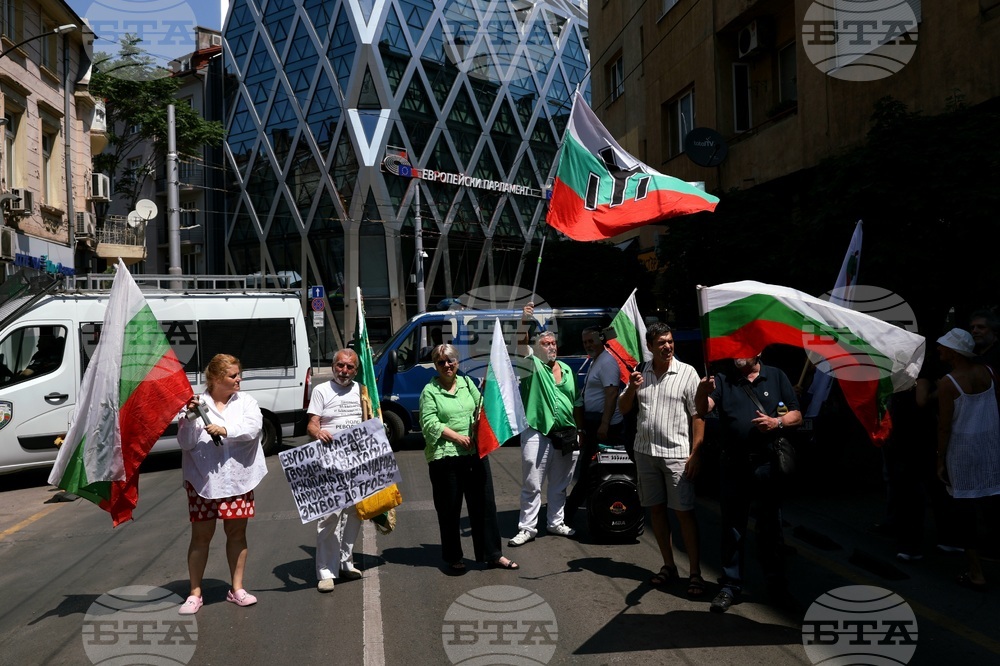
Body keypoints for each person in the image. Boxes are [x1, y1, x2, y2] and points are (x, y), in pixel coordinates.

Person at [695, 351, 802, 613]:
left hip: (767, 465)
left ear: (758, 352)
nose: (737, 356)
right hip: (733, 465)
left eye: (744, 350)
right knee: (732, 527)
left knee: (770, 529)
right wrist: (701, 390)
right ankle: (730, 586)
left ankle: (776, 586)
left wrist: (776, 422)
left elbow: (796, 415)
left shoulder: (775, 376)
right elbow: (702, 409)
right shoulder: (721, 379)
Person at [618, 323, 706, 596]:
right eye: (661, 343)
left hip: (677, 455)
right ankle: (668, 565)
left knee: (683, 513)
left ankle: (695, 573)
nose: (667, 346)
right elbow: (623, 408)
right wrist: (632, 388)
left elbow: (698, 414)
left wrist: (696, 453)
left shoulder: (688, 372)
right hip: (645, 453)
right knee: (655, 510)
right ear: (650, 346)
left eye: (670, 341)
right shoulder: (640, 372)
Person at [177, 354, 266, 615]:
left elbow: (253, 428)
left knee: (237, 534)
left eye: (239, 374)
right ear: (216, 378)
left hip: (238, 480)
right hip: (204, 481)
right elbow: (185, 442)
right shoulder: (196, 404)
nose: (239, 379)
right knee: (201, 537)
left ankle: (237, 588)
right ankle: (194, 593)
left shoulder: (246, 402)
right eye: (233, 375)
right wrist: (190, 418)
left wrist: (224, 429)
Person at [419, 343, 518, 571]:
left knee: (485, 506)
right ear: (435, 366)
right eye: (441, 362)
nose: (447, 365)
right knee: (449, 509)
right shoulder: (430, 391)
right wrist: (456, 437)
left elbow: (481, 407)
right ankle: (453, 557)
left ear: (457, 362)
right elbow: (429, 423)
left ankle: (493, 554)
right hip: (446, 457)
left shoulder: (466, 383)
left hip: (474, 454)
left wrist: (480, 424)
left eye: (450, 360)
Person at [508, 303, 579, 547]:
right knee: (532, 484)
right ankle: (527, 528)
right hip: (537, 432)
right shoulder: (531, 365)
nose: (550, 347)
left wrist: (578, 431)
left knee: (560, 483)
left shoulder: (568, 370)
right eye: (545, 344)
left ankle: (555, 522)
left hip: (566, 434)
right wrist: (524, 320)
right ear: (536, 349)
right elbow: (519, 343)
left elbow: (574, 403)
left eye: (553, 344)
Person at [935, 328, 1000, 590]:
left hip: (962, 452)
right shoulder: (989, 372)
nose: (939, 350)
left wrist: (940, 459)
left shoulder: (948, 382)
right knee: (993, 508)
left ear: (954, 353)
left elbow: (944, 426)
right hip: (991, 448)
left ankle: (976, 572)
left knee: (965, 515)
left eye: (943, 347)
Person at [307, 349, 374, 592]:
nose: (344, 371)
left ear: (356, 370)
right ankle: (325, 571)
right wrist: (318, 432)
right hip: (329, 463)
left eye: (349, 367)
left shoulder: (363, 392)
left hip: (357, 462)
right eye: (340, 366)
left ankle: (346, 562)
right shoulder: (321, 390)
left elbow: (371, 419)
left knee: (354, 513)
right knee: (329, 516)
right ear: (333, 365)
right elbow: (312, 423)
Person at [565, 326, 624, 518]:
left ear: (601, 339)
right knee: (591, 470)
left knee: (590, 471)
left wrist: (605, 424)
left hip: (603, 424)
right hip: (594, 422)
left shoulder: (607, 361)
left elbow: (612, 392)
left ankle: (568, 512)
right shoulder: (597, 360)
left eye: (591, 341)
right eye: (585, 342)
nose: (588, 345)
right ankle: (591, 508)